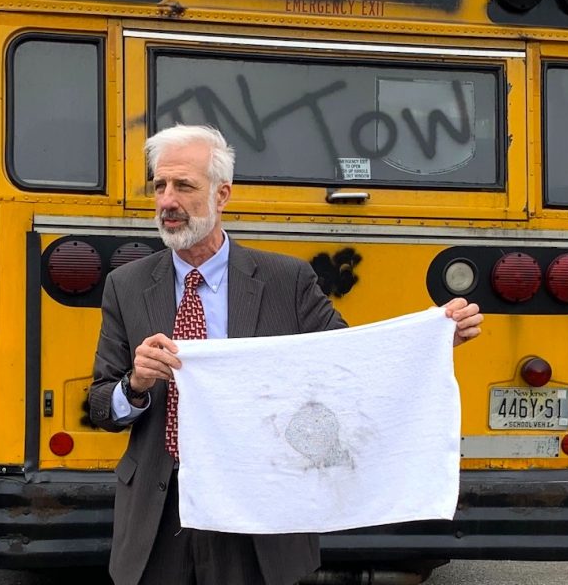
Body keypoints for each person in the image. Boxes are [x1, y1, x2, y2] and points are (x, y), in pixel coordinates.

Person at [87, 124, 483, 585]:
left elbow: (350, 363)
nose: (167, 201)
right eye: (160, 186)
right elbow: (101, 404)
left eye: (184, 186)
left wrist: (432, 341)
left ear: (222, 195)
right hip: (159, 513)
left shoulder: (285, 281)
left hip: (263, 514)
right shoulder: (127, 285)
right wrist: (133, 386)